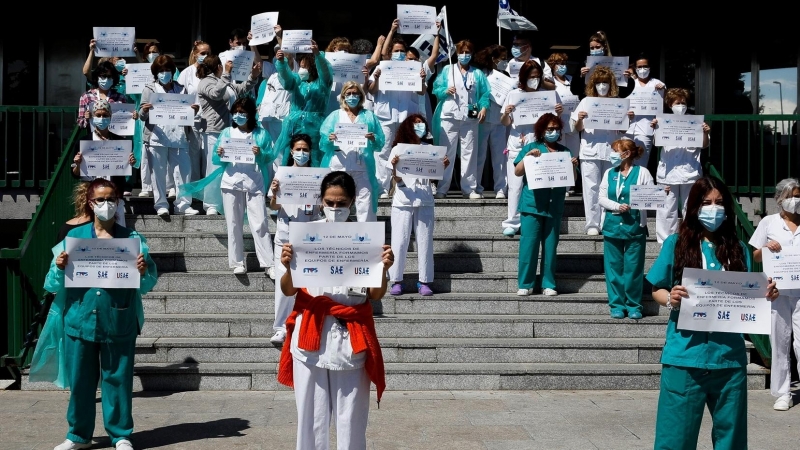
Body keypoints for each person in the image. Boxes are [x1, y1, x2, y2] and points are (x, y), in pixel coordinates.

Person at [647, 176, 779, 449]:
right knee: (675, 438)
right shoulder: (676, 243)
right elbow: (655, 290)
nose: (713, 208)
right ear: (694, 207)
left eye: (719, 203)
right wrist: (670, 298)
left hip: (728, 359)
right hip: (685, 357)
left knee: (731, 439)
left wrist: (767, 294)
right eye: (706, 203)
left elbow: (749, 295)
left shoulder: (737, 248)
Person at [32, 178, 158, 450]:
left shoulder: (133, 239)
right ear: (90, 203)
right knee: (80, 381)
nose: (107, 204)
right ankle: (78, 434)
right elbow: (52, 284)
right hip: (79, 319)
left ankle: (120, 434)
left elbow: (147, 284)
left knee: (118, 379)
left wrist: (143, 271)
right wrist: (58, 266)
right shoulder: (73, 239)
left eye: (112, 198)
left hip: (118, 319)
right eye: (101, 199)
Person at [277, 171, 391, 450]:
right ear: (321, 201)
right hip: (310, 331)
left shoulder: (366, 239)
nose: (335, 208)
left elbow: (375, 294)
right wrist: (289, 265)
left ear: (352, 202)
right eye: (330, 202)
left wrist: (384, 269)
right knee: (311, 418)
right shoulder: (305, 236)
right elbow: (288, 290)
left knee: (351, 416)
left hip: (351, 334)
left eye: (341, 203)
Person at [183, 98, 276, 276]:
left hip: (254, 182)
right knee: (233, 223)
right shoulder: (227, 133)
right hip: (231, 182)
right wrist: (220, 153)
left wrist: (260, 153)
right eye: (236, 112)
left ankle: (268, 263)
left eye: (242, 112)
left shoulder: (261, 134)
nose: (238, 116)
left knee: (260, 223)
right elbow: (218, 159)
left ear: (250, 114)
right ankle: (237, 262)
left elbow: (269, 157)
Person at [368, 19, 436, 199]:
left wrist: (421, 79)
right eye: (395, 51)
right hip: (385, 116)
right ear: (390, 53)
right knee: (382, 152)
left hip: (407, 115)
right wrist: (377, 78)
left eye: (401, 51)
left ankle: (406, 185)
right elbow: (372, 91)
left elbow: (421, 92)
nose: (398, 53)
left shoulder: (415, 68)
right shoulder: (382, 67)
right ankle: (383, 188)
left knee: (408, 150)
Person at [512, 113, 577, 297]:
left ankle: (548, 283)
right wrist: (528, 157)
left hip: (554, 205)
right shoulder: (532, 147)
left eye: (556, 129)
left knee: (550, 247)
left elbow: (574, 179)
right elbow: (517, 172)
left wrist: (572, 165)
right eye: (550, 129)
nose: (553, 132)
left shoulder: (564, 152)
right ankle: (526, 283)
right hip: (532, 204)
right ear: (541, 130)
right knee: (529, 245)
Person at [750, 178, 800, 411]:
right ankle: (783, 392)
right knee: (780, 343)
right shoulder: (769, 223)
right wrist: (767, 248)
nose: (795, 201)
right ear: (780, 199)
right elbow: (756, 256)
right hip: (777, 292)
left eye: (798, 195)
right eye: (791, 196)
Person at [388, 114, 449, 296]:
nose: (419, 127)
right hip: (403, 198)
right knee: (399, 241)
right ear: (408, 127)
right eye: (415, 124)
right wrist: (395, 167)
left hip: (424, 198)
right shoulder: (398, 149)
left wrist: (442, 166)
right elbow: (396, 177)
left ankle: (424, 281)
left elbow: (432, 175)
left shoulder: (431, 149)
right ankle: (396, 280)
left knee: (424, 241)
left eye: (422, 123)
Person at [500, 60, 564, 236]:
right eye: (531, 77)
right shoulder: (514, 94)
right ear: (523, 77)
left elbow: (555, 121)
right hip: (518, 143)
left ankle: (535, 219)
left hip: (540, 144)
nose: (534, 80)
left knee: (539, 183)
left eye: (537, 77)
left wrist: (559, 111)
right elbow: (505, 121)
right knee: (515, 185)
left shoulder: (549, 95)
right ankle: (512, 222)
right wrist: (506, 112)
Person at [267, 134, 320, 346]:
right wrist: (274, 194)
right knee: (283, 285)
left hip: (310, 236)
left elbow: (322, 205)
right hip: (286, 236)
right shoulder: (282, 173)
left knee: (310, 284)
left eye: (305, 149)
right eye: (297, 149)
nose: (301, 153)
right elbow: (274, 207)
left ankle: (306, 322)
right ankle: (280, 327)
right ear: (291, 152)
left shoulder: (318, 176)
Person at [195, 55, 260, 214]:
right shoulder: (205, 82)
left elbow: (241, 89)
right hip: (215, 131)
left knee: (230, 168)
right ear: (218, 66)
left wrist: (253, 76)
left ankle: (226, 202)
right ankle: (211, 204)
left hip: (231, 130)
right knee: (214, 167)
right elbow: (216, 94)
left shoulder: (226, 80)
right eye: (223, 65)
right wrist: (226, 74)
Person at [599, 139, 653, 319]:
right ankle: (616, 304)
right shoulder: (609, 173)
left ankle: (634, 305)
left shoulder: (642, 173)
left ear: (627, 154)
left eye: (615, 151)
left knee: (634, 268)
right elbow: (601, 197)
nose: (612, 154)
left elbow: (650, 196)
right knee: (613, 268)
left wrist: (661, 192)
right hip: (612, 225)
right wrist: (616, 206)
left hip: (635, 226)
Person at [139, 55, 199, 216]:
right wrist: (145, 110)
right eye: (161, 71)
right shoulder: (149, 89)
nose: (164, 73)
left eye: (167, 70)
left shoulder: (181, 89)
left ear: (172, 71)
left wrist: (193, 111)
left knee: (184, 171)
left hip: (179, 135)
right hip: (156, 136)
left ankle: (183, 205)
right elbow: (141, 115)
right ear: (155, 73)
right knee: (158, 172)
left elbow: (187, 115)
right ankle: (161, 205)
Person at [431, 40, 491, 199]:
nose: (464, 55)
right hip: (449, 116)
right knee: (446, 153)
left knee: (469, 153)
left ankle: (469, 189)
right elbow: (435, 89)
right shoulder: (447, 70)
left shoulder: (477, 73)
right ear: (456, 53)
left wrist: (484, 107)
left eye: (467, 52)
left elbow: (485, 94)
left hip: (470, 118)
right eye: (461, 52)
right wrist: (445, 90)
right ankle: (442, 189)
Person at [320, 81, 385, 222]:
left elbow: (380, 143)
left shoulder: (369, 116)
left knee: (365, 203)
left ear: (361, 96)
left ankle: (367, 239)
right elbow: (322, 142)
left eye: (355, 93)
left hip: (362, 165)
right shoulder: (335, 115)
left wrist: (373, 138)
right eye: (348, 93)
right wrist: (329, 138)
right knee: (337, 203)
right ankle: (333, 235)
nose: (352, 96)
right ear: (343, 96)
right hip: (339, 165)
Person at [652, 88, 710, 244]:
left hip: (690, 172)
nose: (681, 105)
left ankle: (690, 238)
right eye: (677, 102)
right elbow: (656, 143)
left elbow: (704, 145)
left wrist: (705, 132)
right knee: (666, 208)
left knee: (690, 207)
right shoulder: (662, 121)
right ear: (670, 104)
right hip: (668, 172)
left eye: (683, 102)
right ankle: (666, 241)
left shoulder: (696, 122)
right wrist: (655, 128)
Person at [573, 66, 626, 235]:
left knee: (609, 188)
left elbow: (623, 131)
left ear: (611, 85)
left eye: (605, 83)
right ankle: (592, 224)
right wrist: (580, 119)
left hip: (611, 151)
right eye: (598, 83)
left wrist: (627, 118)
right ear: (593, 85)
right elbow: (577, 128)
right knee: (591, 188)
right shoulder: (586, 101)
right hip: (590, 150)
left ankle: (606, 222)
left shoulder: (618, 103)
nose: (602, 86)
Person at [72, 100, 135, 226]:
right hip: (92, 196)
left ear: (110, 117)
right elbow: (74, 173)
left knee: (117, 231)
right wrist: (78, 164)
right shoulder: (84, 142)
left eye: (105, 115)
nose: (102, 118)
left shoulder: (119, 141)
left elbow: (124, 169)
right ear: (93, 117)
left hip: (113, 195)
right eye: (98, 115)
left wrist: (130, 162)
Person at [273, 41, 333, 168]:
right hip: (294, 125)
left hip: (315, 126)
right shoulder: (298, 81)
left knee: (314, 155)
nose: (301, 70)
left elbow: (325, 71)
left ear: (313, 67)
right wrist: (282, 63)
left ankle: (315, 183)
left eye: (305, 67)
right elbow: (287, 78)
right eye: (300, 66)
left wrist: (317, 55)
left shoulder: (323, 83)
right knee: (291, 155)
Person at [473, 44, 510, 199]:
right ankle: (476, 187)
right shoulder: (480, 74)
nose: (505, 61)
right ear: (494, 59)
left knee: (500, 156)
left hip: (500, 120)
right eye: (502, 59)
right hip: (482, 119)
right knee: (479, 155)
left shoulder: (507, 76)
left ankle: (501, 188)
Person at [178, 41, 212, 182]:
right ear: (195, 54)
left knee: (208, 155)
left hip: (211, 120)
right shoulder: (187, 73)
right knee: (193, 155)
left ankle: (208, 192)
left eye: (208, 53)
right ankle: (194, 190)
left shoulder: (215, 71)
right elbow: (179, 97)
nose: (205, 56)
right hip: (193, 121)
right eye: (202, 53)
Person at [625, 54, 666, 168]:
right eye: (639, 67)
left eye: (645, 66)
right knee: (624, 160)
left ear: (650, 67)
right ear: (635, 68)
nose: (642, 69)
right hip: (627, 128)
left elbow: (666, 103)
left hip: (646, 129)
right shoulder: (629, 83)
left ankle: (638, 185)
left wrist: (663, 91)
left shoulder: (658, 84)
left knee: (641, 162)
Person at [546, 52, 580, 159]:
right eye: (558, 63)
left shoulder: (572, 79)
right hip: (558, 122)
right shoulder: (550, 82)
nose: (562, 66)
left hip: (573, 121)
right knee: (560, 155)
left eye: (564, 63)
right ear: (552, 65)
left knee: (574, 154)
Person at [77, 61, 127, 129]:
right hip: (93, 137)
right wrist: (86, 119)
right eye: (103, 76)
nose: (106, 79)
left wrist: (132, 117)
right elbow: (80, 123)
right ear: (97, 77)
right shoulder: (86, 97)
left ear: (113, 78)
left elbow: (125, 121)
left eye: (109, 76)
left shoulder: (120, 97)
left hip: (114, 138)